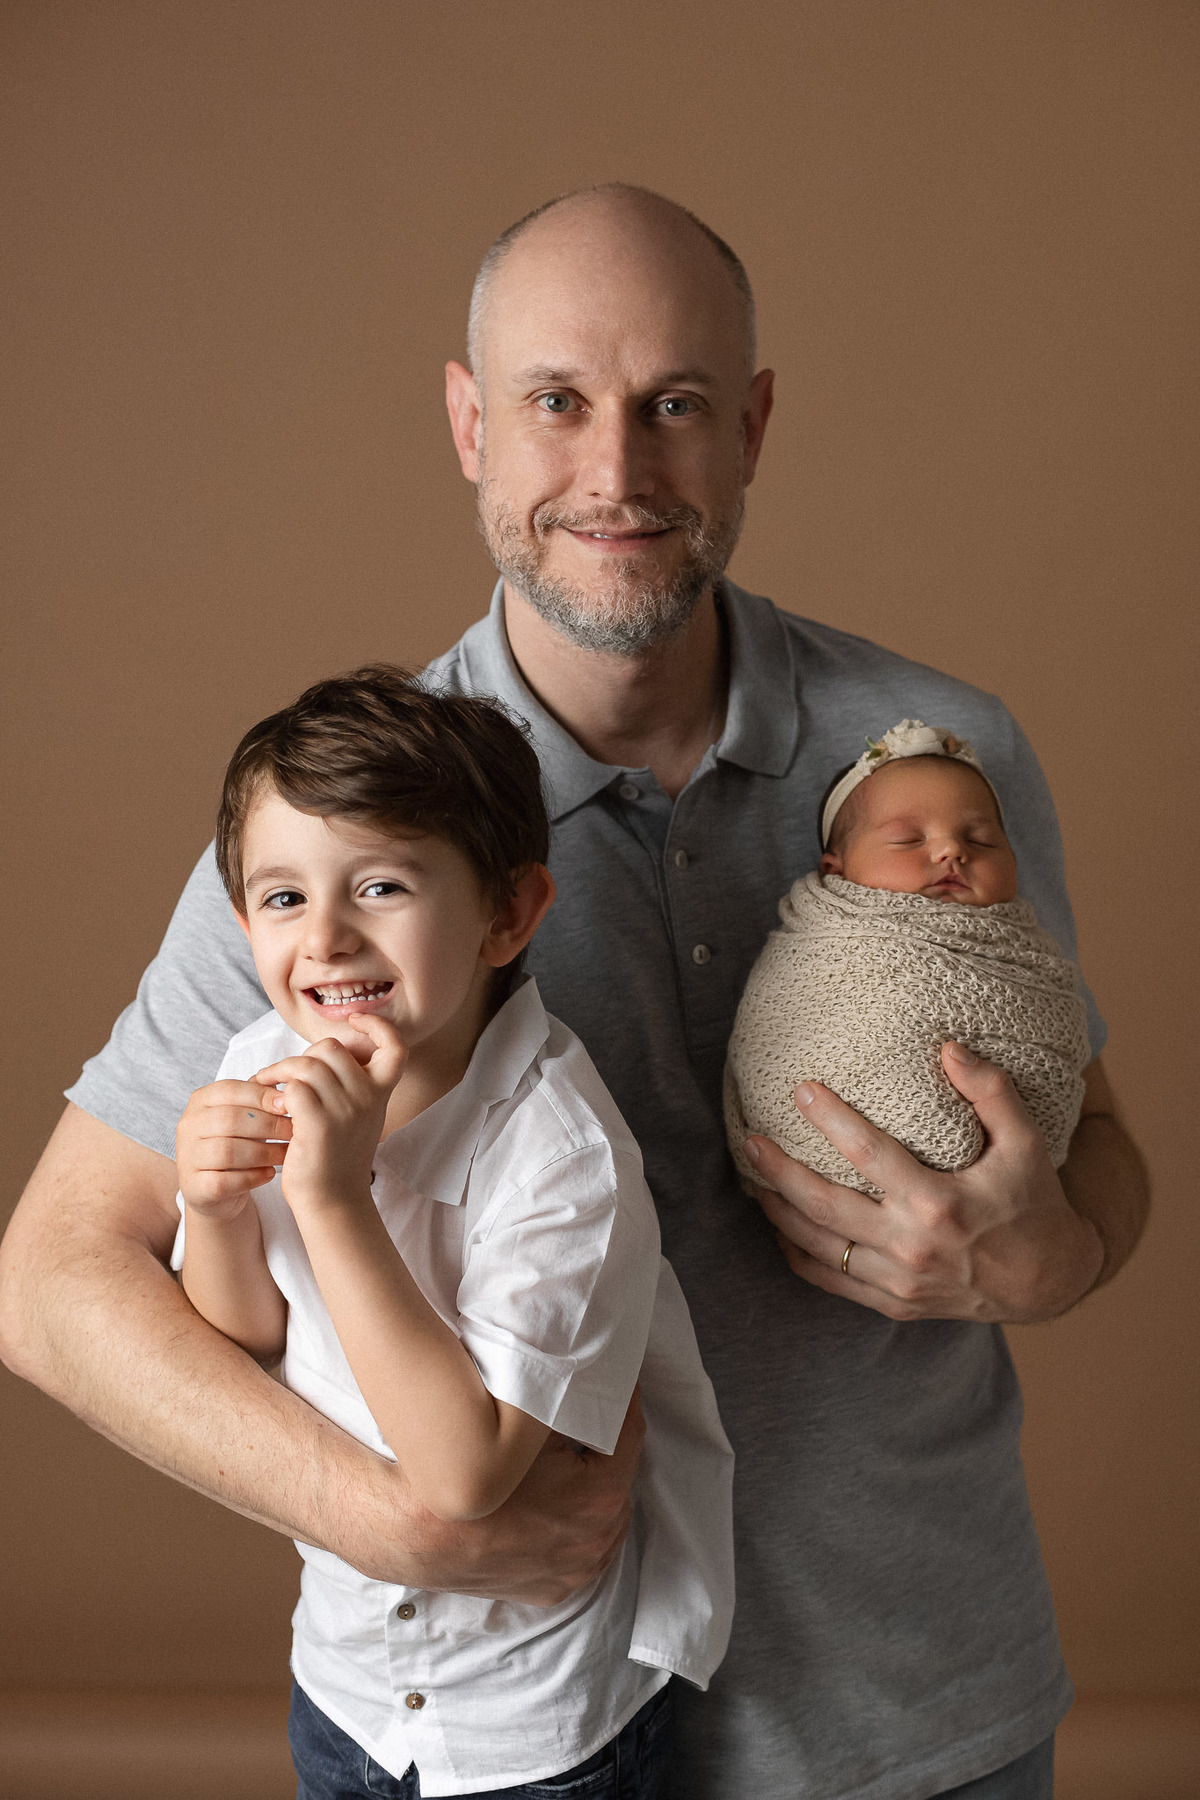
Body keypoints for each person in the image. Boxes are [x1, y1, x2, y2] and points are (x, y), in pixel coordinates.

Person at [0, 185, 1149, 1800]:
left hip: (924, 1713)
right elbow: (51, 1282)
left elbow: (1098, 1143)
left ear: (751, 429)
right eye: (556, 402)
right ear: (469, 425)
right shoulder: (340, 832)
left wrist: (1059, 1249)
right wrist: (390, 1516)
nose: (617, 472)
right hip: (512, 1736)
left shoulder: (940, 760)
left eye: (674, 404)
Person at [175, 666, 732, 1797]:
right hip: (347, 1682)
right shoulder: (260, 1062)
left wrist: (333, 1201)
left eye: (380, 885)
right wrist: (214, 1209)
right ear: (243, 924)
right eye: (283, 899)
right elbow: (246, 1337)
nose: (326, 938)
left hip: (525, 1724)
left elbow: (465, 1477)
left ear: (507, 914)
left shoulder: (563, 1159)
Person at [724, 720, 1092, 1195]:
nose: (951, 849)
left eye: (980, 840)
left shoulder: (1025, 953)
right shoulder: (823, 947)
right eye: (907, 839)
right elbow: (783, 1042)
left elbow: (1056, 1041)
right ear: (837, 872)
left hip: (1012, 1196)